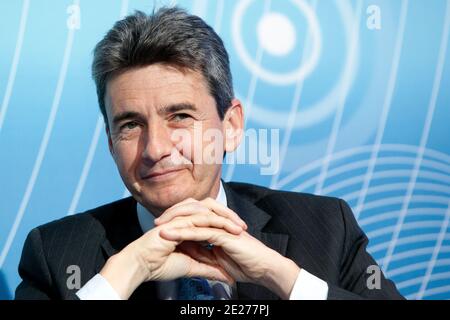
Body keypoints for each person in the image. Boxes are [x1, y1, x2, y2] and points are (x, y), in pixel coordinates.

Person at [15, 7, 403, 300]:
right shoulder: (56, 253)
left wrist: (281, 276)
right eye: (130, 125)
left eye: (180, 117)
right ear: (110, 141)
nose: (156, 149)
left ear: (231, 126)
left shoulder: (325, 229)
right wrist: (124, 274)